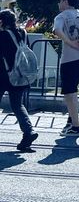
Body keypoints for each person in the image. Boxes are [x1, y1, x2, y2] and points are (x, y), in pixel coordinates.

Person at [0, 9, 38, 151]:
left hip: (3, 75)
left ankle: (29, 133)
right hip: (21, 75)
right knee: (17, 105)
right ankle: (29, 132)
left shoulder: (2, 35)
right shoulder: (23, 33)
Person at [53, 0, 79, 137]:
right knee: (72, 90)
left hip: (69, 58)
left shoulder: (61, 16)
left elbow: (57, 30)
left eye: (60, 0)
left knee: (69, 92)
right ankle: (71, 120)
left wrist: (70, 43)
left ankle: (75, 127)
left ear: (66, 2)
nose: (59, 3)